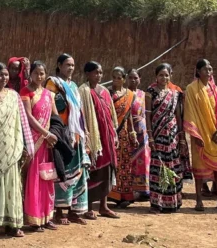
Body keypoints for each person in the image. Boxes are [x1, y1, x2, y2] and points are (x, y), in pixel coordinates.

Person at [0, 63, 31, 238]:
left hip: (11, 146)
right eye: (0, 75)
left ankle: (13, 223)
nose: (4, 78)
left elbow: (22, 121)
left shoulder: (14, 96)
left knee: (12, 185)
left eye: (6, 75)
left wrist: (25, 144)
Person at [45, 53, 91, 225]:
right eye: (67, 65)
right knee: (62, 171)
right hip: (62, 132)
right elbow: (50, 105)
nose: (70, 68)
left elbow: (79, 110)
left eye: (72, 65)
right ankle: (59, 211)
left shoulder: (74, 86)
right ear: (59, 65)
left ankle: (74, 210)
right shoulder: (53, 83)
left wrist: (84, 129)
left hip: (76, 133)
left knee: (78, 172)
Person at [183, 59, 217, 212]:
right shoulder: (191, 89)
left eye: (210, 69)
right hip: (200, 135)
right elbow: (190, 112)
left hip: (215, 135)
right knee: (198, 167)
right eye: (205, 69)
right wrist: (196, 135)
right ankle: (198, 201)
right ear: (198, 71)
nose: (209, 72)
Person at [145, 63, 188, 213]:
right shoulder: (150, 92)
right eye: (161, 75)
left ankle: (172, 203)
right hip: (157, 135)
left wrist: (181, 138)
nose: (164, 78)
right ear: (156, 77)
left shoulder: (175, 94)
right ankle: (157, 204)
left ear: (170, 76)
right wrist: (150, 137)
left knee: (173, 167)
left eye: (166, 75)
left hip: (172, 136)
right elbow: (148, 115)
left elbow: (178, 116)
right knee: (158, 168)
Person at [20, 61, 58, 231]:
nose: (39, 76)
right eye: (36, 73)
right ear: (31, 74)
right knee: (34, 179)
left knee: (47, 178)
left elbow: (55, 117)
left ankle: (47, 215)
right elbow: (29, 117)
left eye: (42, 73)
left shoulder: (50, 94)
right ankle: (34, 218)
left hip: (48, 144)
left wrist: (56, 134)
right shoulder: (25, 92)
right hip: (33, 141)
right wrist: (46, 134)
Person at [79, 61, 119, 219]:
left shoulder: (104, 91)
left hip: (107, 137)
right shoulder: (83, 91)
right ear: (87, 74)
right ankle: (88, 207)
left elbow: (112, 114)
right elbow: (82, 115)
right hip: (94, 138)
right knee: (93, 172)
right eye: (96, 72)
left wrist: (114, 134)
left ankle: (104, 206)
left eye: (101, 72)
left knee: (107, 171)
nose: (99, 75)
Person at [109, 67, 150, 208]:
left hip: (126, 133)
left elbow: (128, 116)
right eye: (113, 77)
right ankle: (112, 194)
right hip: (113, 132)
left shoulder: (129, 95)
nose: (116, 80)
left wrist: (132, 132)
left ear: (123, 79)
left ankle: (126, 195)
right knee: (114, 164)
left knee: (125, 164)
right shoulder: (108, 93)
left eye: (119, 77)